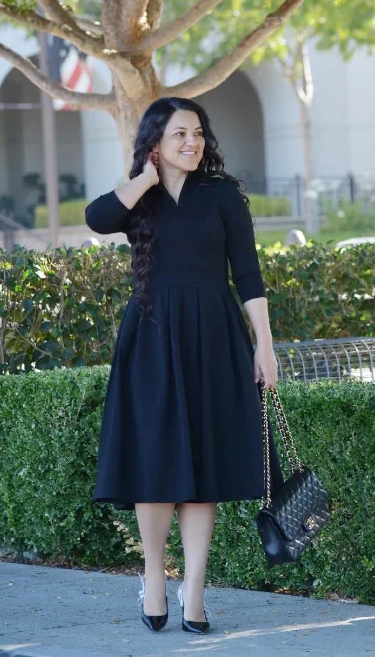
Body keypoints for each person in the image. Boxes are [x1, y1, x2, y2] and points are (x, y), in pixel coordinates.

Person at [85, 97, 283, 635]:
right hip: (151, 337)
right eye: (178, 134)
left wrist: (262, 345)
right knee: (154, 463)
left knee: (203, 469)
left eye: (197, 133)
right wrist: (146, 179)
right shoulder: (139, 199)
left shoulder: (222, 195)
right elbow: (97, 218)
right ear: (155, 143)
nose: (192, 142)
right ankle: (153, 575)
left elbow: (248, 274)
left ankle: (193, 590)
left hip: (214, 337)